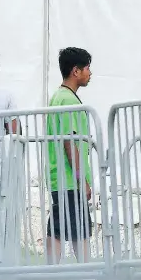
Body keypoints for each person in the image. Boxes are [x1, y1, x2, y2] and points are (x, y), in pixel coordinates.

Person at [45, 48, 93, 265]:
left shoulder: (57, 96)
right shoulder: (69, 100)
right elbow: (68, 141)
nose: (90, 73)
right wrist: (81, 179)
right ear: (76, 71)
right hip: (69, 178)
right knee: (80, 227)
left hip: (59, 176)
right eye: (87, 68)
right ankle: (86, 271)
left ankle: (51, 271)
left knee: (57, 226)